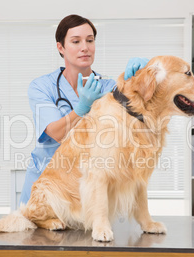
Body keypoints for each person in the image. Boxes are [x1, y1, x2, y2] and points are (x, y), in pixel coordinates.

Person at [19, 14, 148, 205]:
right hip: (48, 186)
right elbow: (55, 133)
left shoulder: (110, 87)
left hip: (91, 188)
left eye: (90, 40)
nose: (85, 47)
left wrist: (147, 72)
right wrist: (82, 108)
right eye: (76, 41)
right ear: (60, 47)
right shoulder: (42, 86)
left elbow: (142, 115)